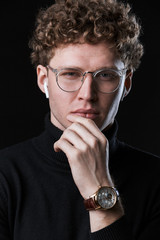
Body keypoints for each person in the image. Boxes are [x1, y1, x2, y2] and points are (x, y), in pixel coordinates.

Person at [0, 0, 160, 239]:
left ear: (126, 83)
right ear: (43, 80)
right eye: (70, 74)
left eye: (105, 75)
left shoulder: (156, 181)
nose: (87, 94)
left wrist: (99, 191)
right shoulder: (4, 175)